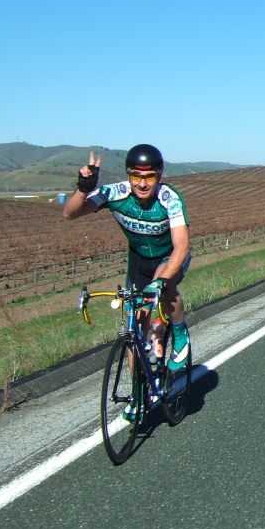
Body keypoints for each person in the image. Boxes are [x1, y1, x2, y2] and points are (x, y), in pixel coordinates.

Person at [63, 144, 191, 381]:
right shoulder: (115, 193)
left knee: (165, 286)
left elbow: (181, 245)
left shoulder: (168, 198)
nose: (142, 184)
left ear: (159, 176)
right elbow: (70, 213)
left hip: (169, 256)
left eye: (149, 177)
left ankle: (180, 330)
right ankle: (139, 390)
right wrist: (83, 189)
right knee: (136, 327)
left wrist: (161, 281)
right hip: (138, 261)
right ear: (128, 175)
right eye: (136, 176)